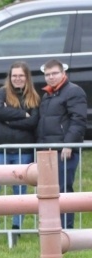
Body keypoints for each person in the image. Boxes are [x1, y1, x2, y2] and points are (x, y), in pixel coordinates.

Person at [0, 62, 40, 238]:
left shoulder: (33, 97)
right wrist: (22, 114)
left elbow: (33, 122)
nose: (17, 79)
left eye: (21, 75)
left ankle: (17, 228)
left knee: (20, 191)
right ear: (10, 77)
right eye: (14, 75)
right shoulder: (1, 92)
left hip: (22, 151)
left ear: (27, 77)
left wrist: (9, 119)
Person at [36, 59, 88, 229]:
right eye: (47, 74)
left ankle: (66, 229)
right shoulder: (48, 95)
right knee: (50, 192)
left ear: (63, 73)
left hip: (64, 151)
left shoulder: (74, 91)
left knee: (64, 191)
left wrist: (69, 144)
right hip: (48, 151)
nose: (51, 77)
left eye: (54, 73)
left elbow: (78, 120)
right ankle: (52, 228)